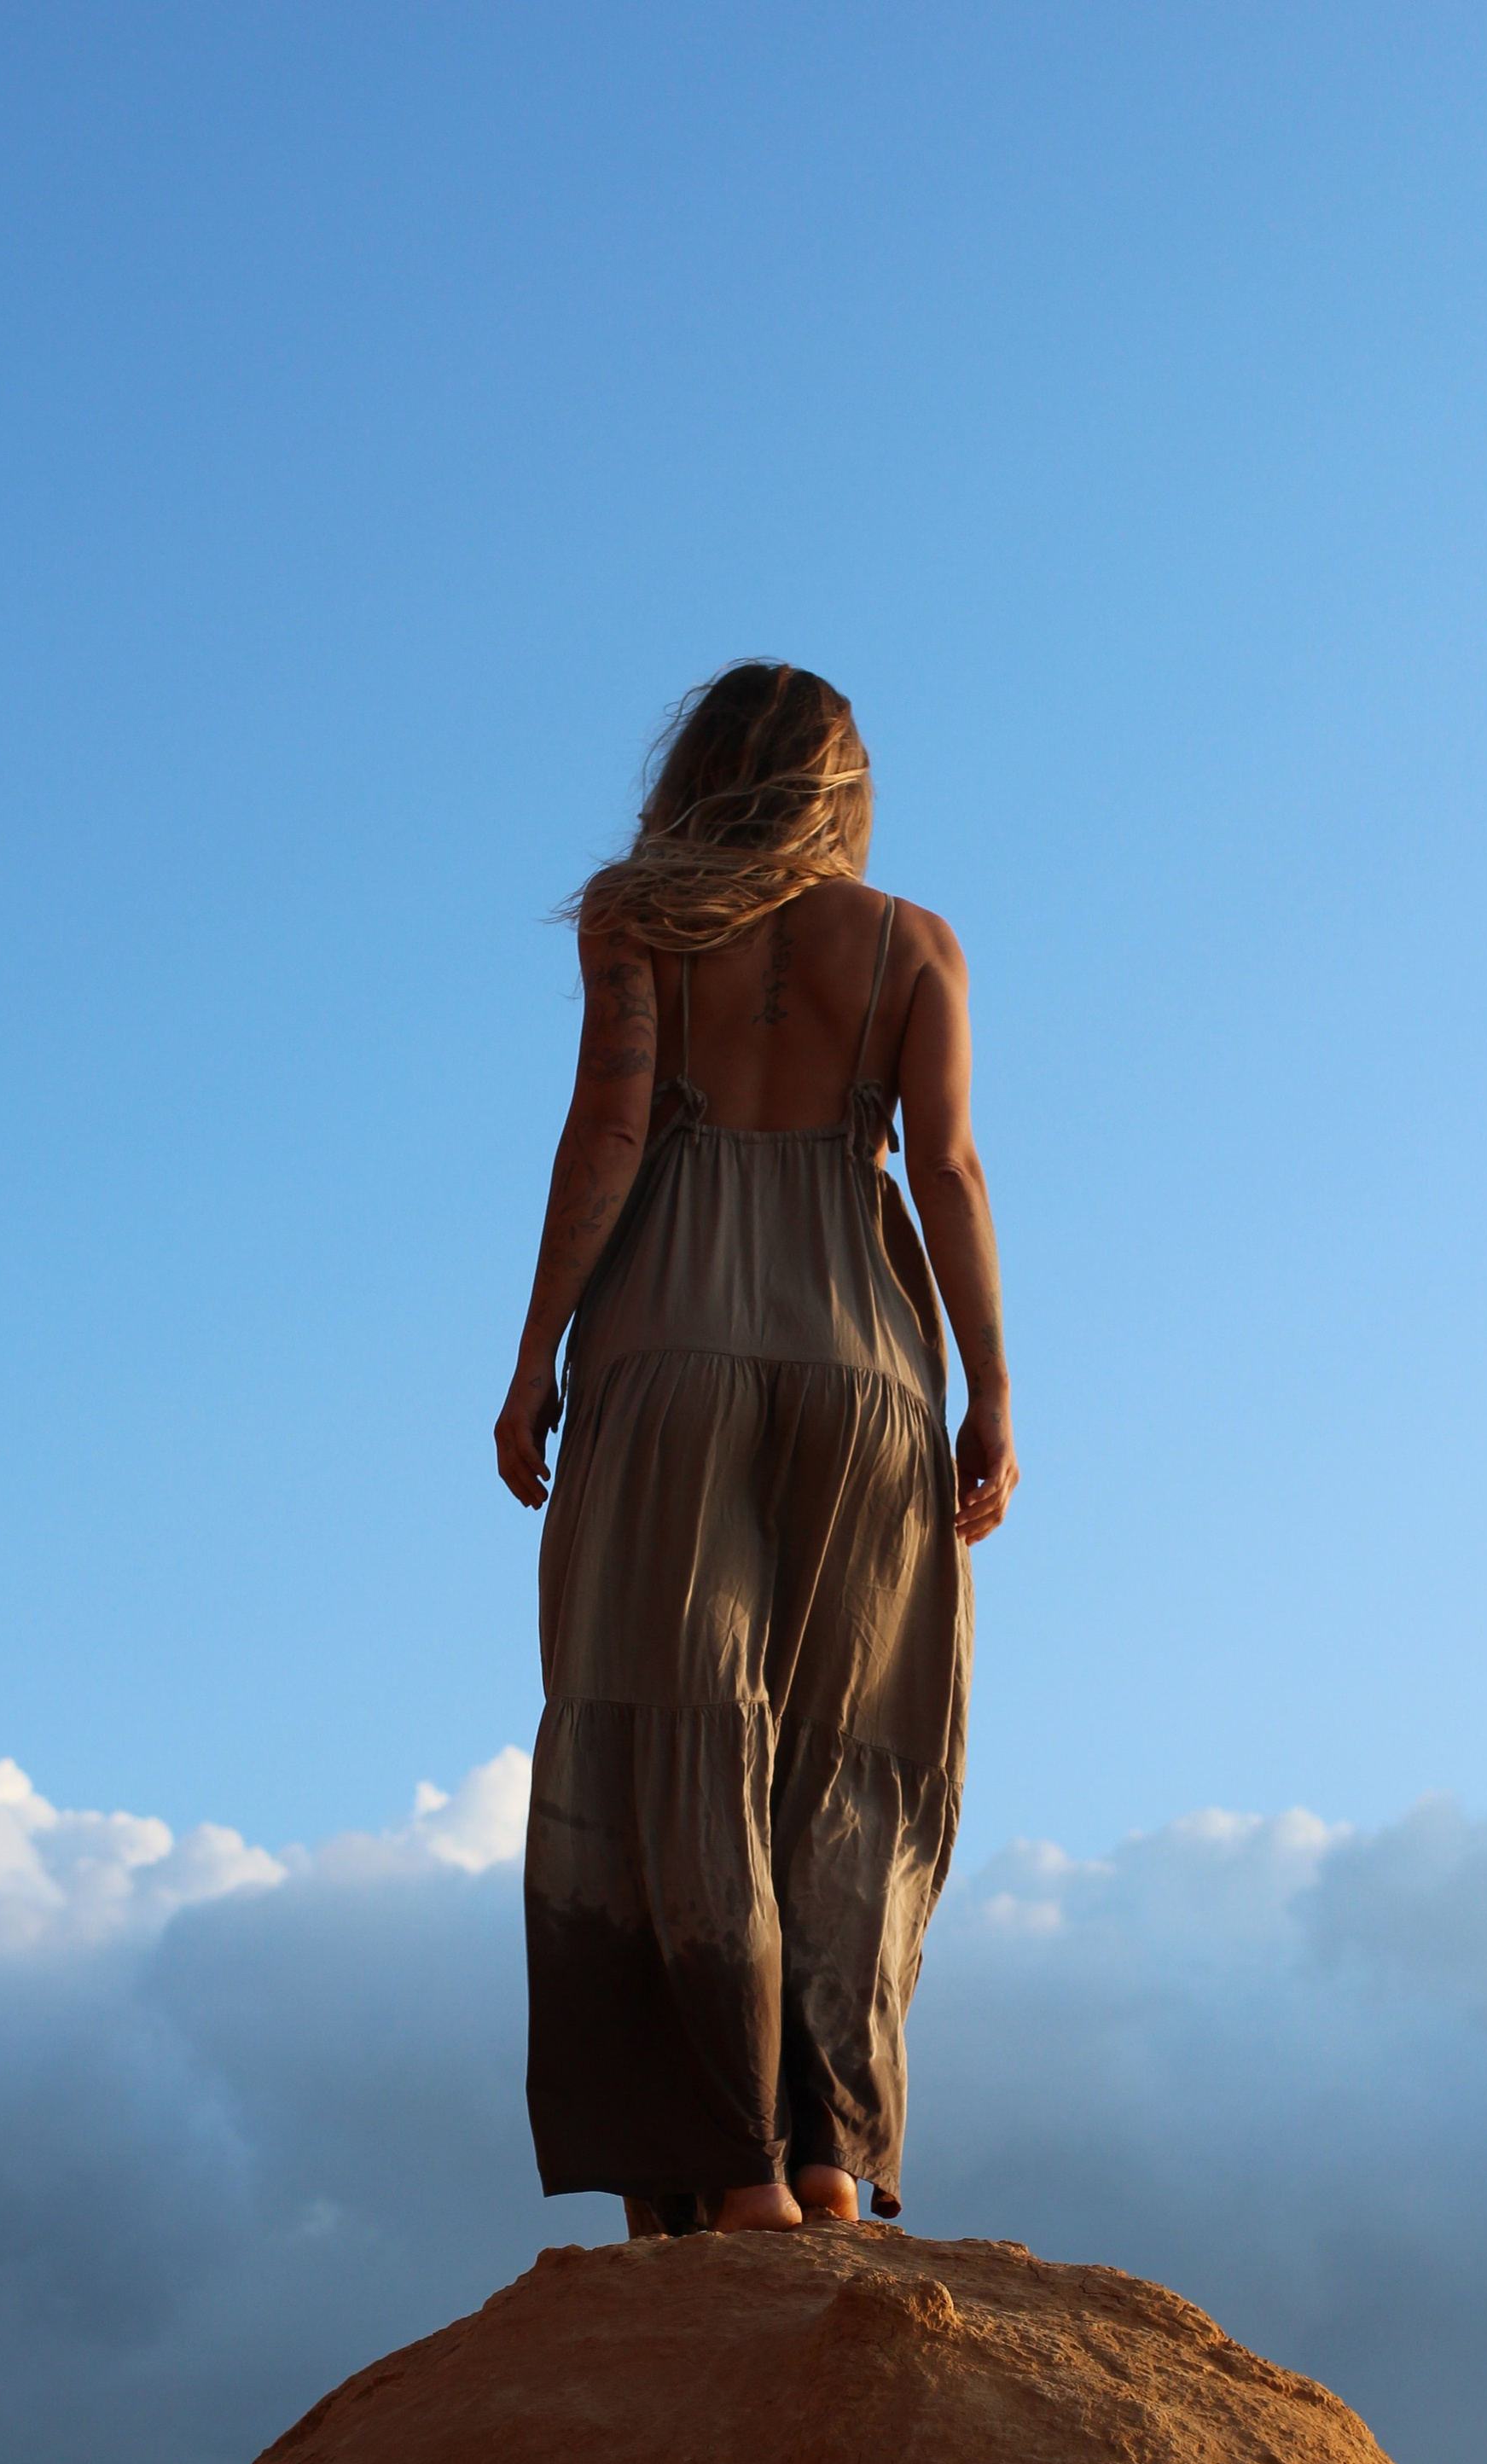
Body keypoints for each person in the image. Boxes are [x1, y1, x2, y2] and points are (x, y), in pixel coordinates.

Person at [495, 663, 1016, 2239]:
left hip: (665, 1349)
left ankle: (722, 2166)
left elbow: (610, 1127)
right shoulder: (915, 945)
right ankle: (827, 2159)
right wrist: (991, 1390)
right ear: (838, 787)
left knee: (674, 1729)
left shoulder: (637, 917)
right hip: (864, 1366)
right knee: (849, 1746)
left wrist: (533, 1357)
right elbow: (950, 1169)